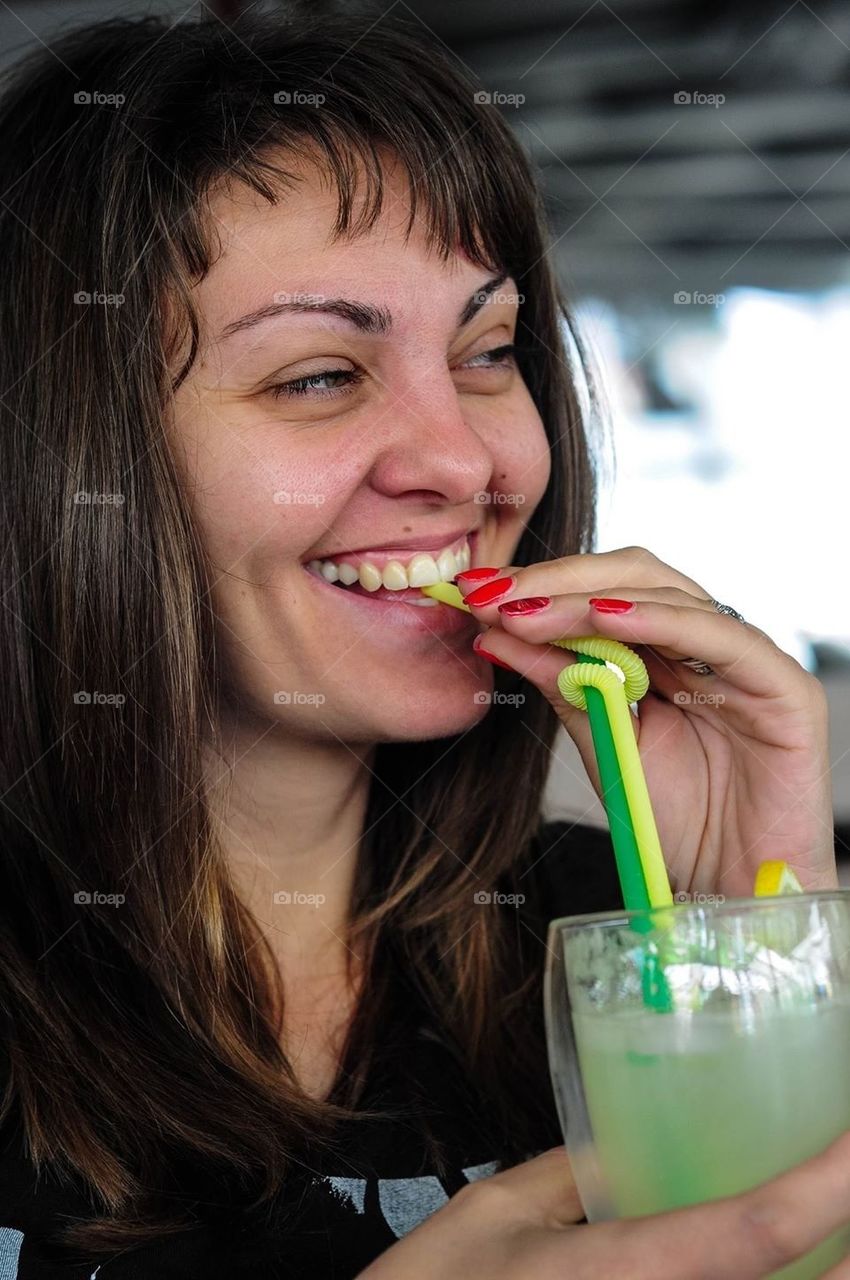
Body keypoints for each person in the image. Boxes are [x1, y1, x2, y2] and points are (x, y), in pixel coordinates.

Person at [0, 9, 839, 1279]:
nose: (467, 461)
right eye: (319, 375)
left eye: (488, 352)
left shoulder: (603, 932)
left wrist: (758, 940)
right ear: (64, 460)